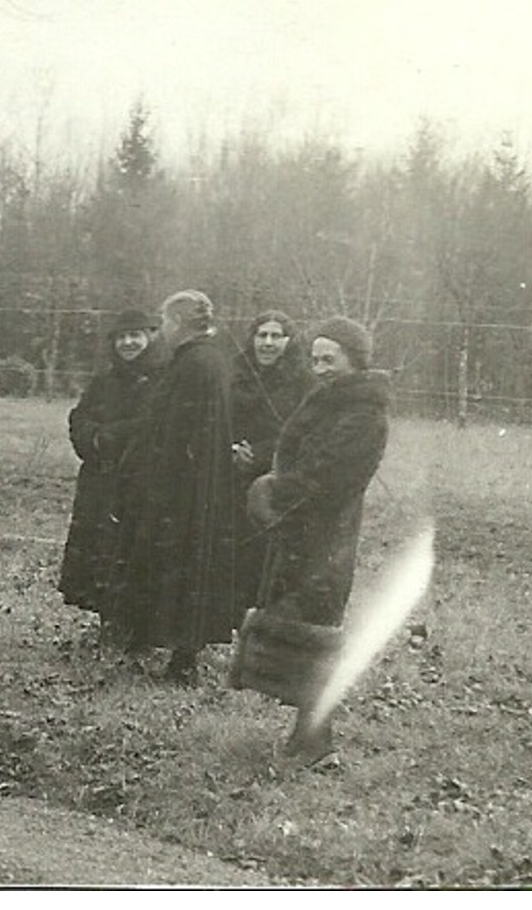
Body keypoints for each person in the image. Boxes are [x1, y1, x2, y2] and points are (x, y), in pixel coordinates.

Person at [230, 315, 389, 764]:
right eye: (315, 358)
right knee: (304, 636)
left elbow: (329, 477)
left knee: (316, 637)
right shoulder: (331, 401)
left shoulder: (363, 413)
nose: (320, 368)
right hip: (302, 533)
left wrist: (272, 491)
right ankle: (306, 738)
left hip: (324, 540)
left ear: (354, 360)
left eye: (330, 359)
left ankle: (318, 745)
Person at [104, 289, 237, 682]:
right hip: (186, 486)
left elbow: (175, 432)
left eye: (163, 323)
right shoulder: (199, 361)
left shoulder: (196, 365)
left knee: (184, 569)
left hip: (182, 490)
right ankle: (160, 645)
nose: (160, 332)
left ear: (178, 323)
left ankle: (183, 660)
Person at [57, 307, 165, 614]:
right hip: (99, 477)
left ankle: (129, 626)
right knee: (97, 549)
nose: (128, 343)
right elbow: (79, 417)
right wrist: (92, 438)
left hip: (136, 480)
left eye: (135, 336)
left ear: (150, 337)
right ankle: (103, 618)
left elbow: (150, 426)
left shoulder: (160, 378)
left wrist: (109, 436)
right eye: (122, 337)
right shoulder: (105, 379)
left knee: (130, 550)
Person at [230, 310, 314, 623]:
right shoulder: (236, 373)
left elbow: (301, 432)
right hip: (230, 473)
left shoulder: (303, 381)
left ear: (289, 341)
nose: (267, 343)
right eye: (261, 335)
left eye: (276, 336)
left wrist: (260, 455)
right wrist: (232, 449)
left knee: (264, 556)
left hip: (274, 479)